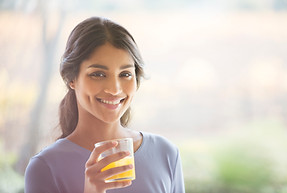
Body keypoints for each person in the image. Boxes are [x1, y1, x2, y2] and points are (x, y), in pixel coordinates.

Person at [24, 16, 185, 193]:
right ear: (72, 79)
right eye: (98, 74)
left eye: (125, 74)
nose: (114, 89)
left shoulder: (166, 153)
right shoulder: (45, 168)